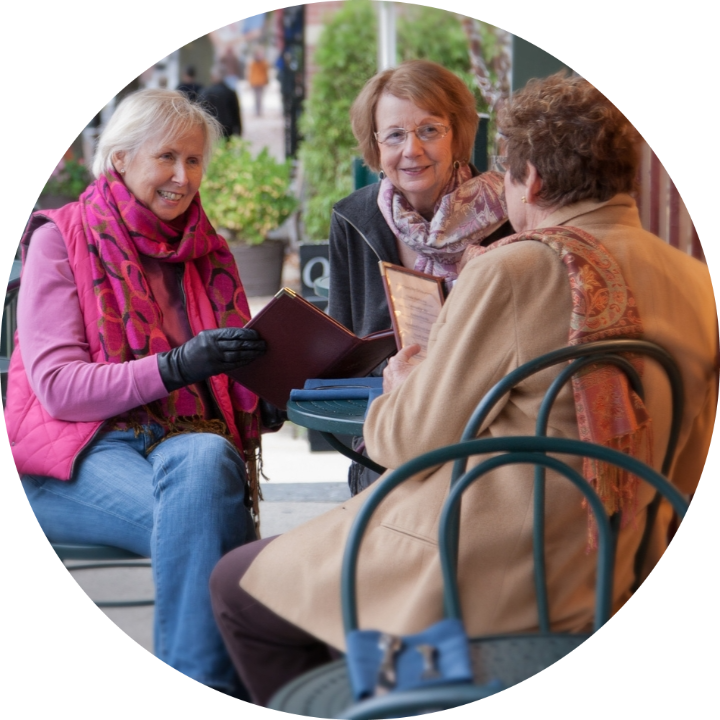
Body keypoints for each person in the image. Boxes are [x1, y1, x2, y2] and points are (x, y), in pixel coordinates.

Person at [209, 73, 716, 706]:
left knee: (237, 584)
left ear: (528, 179)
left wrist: (401, 380)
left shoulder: (518, 265)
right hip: (630, 562)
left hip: (505, 571)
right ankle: (404, 680)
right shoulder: (697, 282)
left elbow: (408, 442)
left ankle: (408, 687)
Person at [6, 89, 275, 698]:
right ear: (121, 159)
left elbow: (222, 388)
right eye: (168, 158)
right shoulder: (60, 239)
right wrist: (178, 365)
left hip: (179, 449)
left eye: (197, 160)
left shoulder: (206, 251)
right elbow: (58, 390)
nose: (184, 177)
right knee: (209, 521)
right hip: (74, 456)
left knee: (209, 463)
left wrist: (264, 398)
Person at [328, 60, 512, 494]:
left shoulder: (509, 214)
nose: (411, 150)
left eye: (429, 130)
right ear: (376, 144)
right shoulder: (352, 217)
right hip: (389, 420)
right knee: (391, 489)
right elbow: (342, 348)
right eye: (395, 135)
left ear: (458, 134)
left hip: (487, 419)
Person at [200, 67, 242, 138]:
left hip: (212, 129)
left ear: (213, 76)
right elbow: (236, 113)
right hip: (228, 129)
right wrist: (239, 130)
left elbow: (202, 112)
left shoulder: (207, 92)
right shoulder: (230, 92)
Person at [247, 47, 270, 117]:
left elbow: (266, 72)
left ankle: (259, 111)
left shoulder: (263, 62)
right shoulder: (253, 62)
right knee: (256, 97)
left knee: (259, 97)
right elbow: (250, 73)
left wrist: (267, 81)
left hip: (260, 82)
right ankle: (257, 111)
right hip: (255, 82)